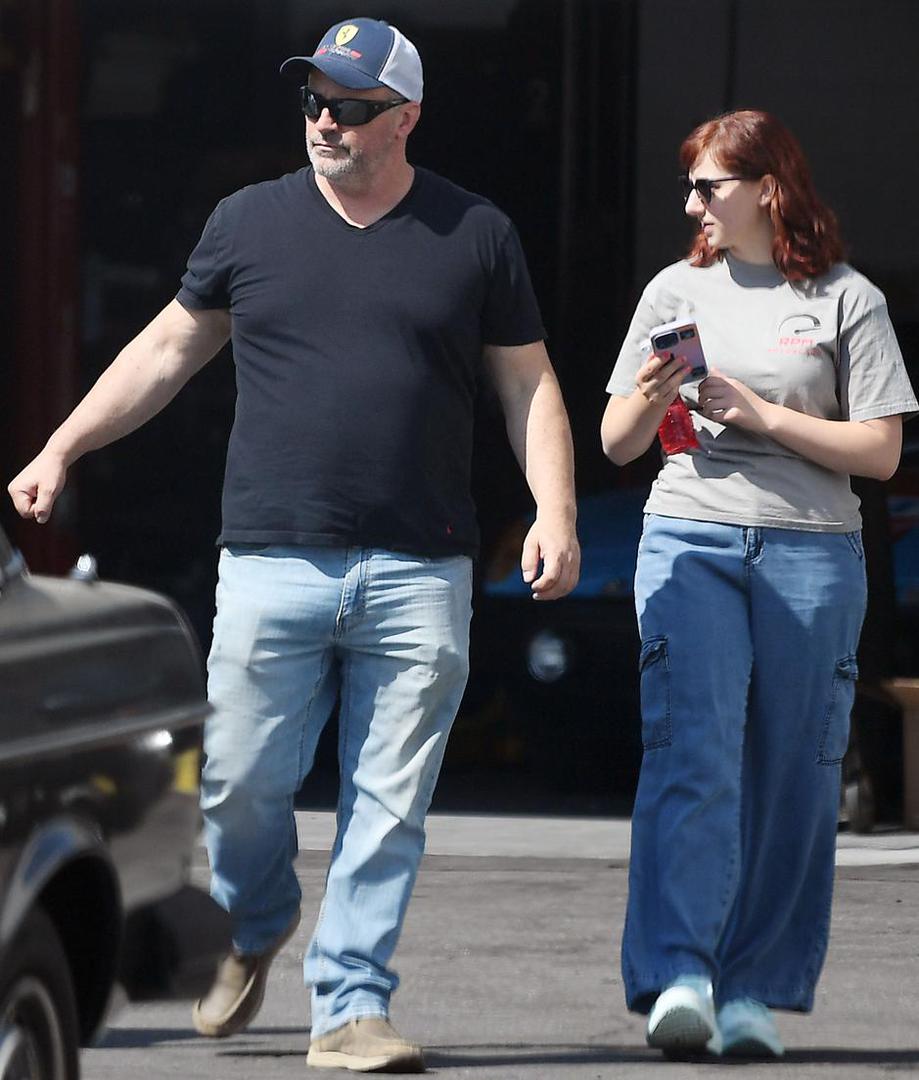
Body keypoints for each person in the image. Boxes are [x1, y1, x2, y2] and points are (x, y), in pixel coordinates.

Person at [8, 17, 580, 1073]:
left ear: (405, 118)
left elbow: (527, 383)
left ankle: (351, 1003)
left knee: (388, 803)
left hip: (421, 566)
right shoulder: (248, 222)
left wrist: (555, 511)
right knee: (234, 781)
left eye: (351, 106)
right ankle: (256, 917)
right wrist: (63, 447)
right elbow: (166, 351)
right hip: (272, 558)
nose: (325, 120)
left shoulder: (474, 233)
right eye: (314, 100)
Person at [601, 109, 916, 1060]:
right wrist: (655, 393)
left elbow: (881, 452)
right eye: (689, 185)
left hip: (812, 551)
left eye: (708, 186)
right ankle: (679, 975)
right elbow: (616, 443)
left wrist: (759, 414)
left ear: (767, 190)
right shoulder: (673, 290)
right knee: (690, 757)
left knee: (796, 775)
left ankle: (755, 991)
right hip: (689, 534)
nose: (690, 203)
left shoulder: (845, 299)